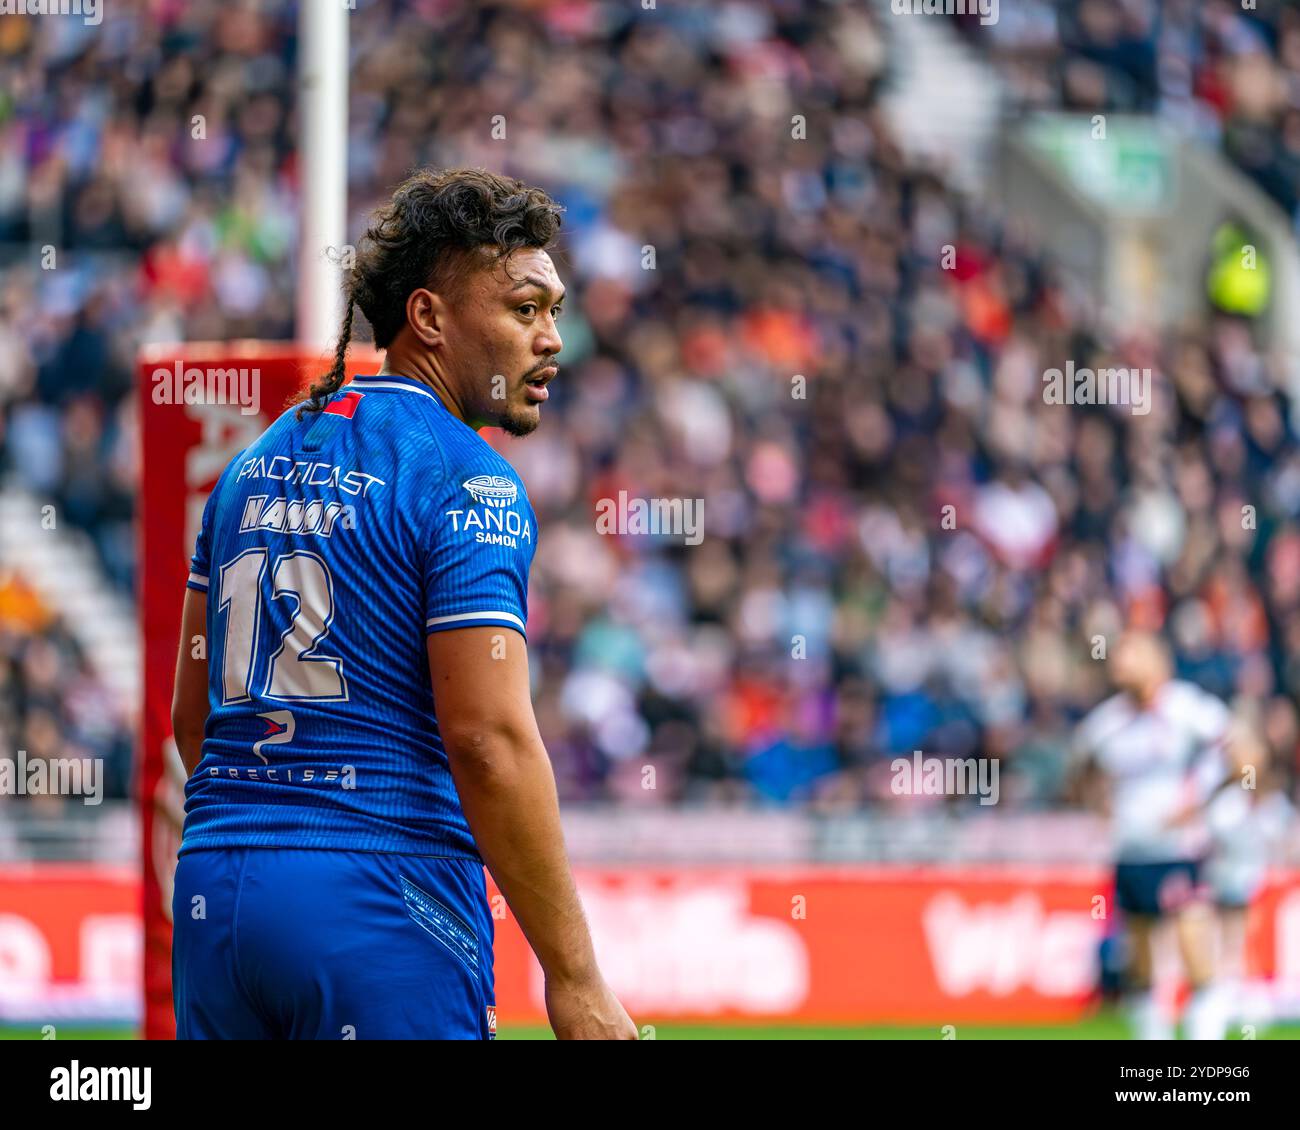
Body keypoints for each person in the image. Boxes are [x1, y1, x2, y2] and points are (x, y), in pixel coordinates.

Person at [169, 167, 637, 1040]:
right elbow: (487, 738)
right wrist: (574, 978)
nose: (552, 341)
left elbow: (193, 722)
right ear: (427, 317)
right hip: (381, 899)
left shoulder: (248, 464)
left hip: (217, 895)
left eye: (556, 311)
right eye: (525, 309)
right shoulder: (467, 482)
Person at [1072, 630, 1231, 1040]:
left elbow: (1239, 753)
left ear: (1157, 662)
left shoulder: (1188, 708)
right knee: (1140, 963)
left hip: (1180, 850)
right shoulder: (1106, 723)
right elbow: (1081, 770)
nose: (1119, 662)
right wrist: (1098, 806)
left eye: (1130, 653)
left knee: (1194, 948)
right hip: (1131, 852)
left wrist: (1199, 807)